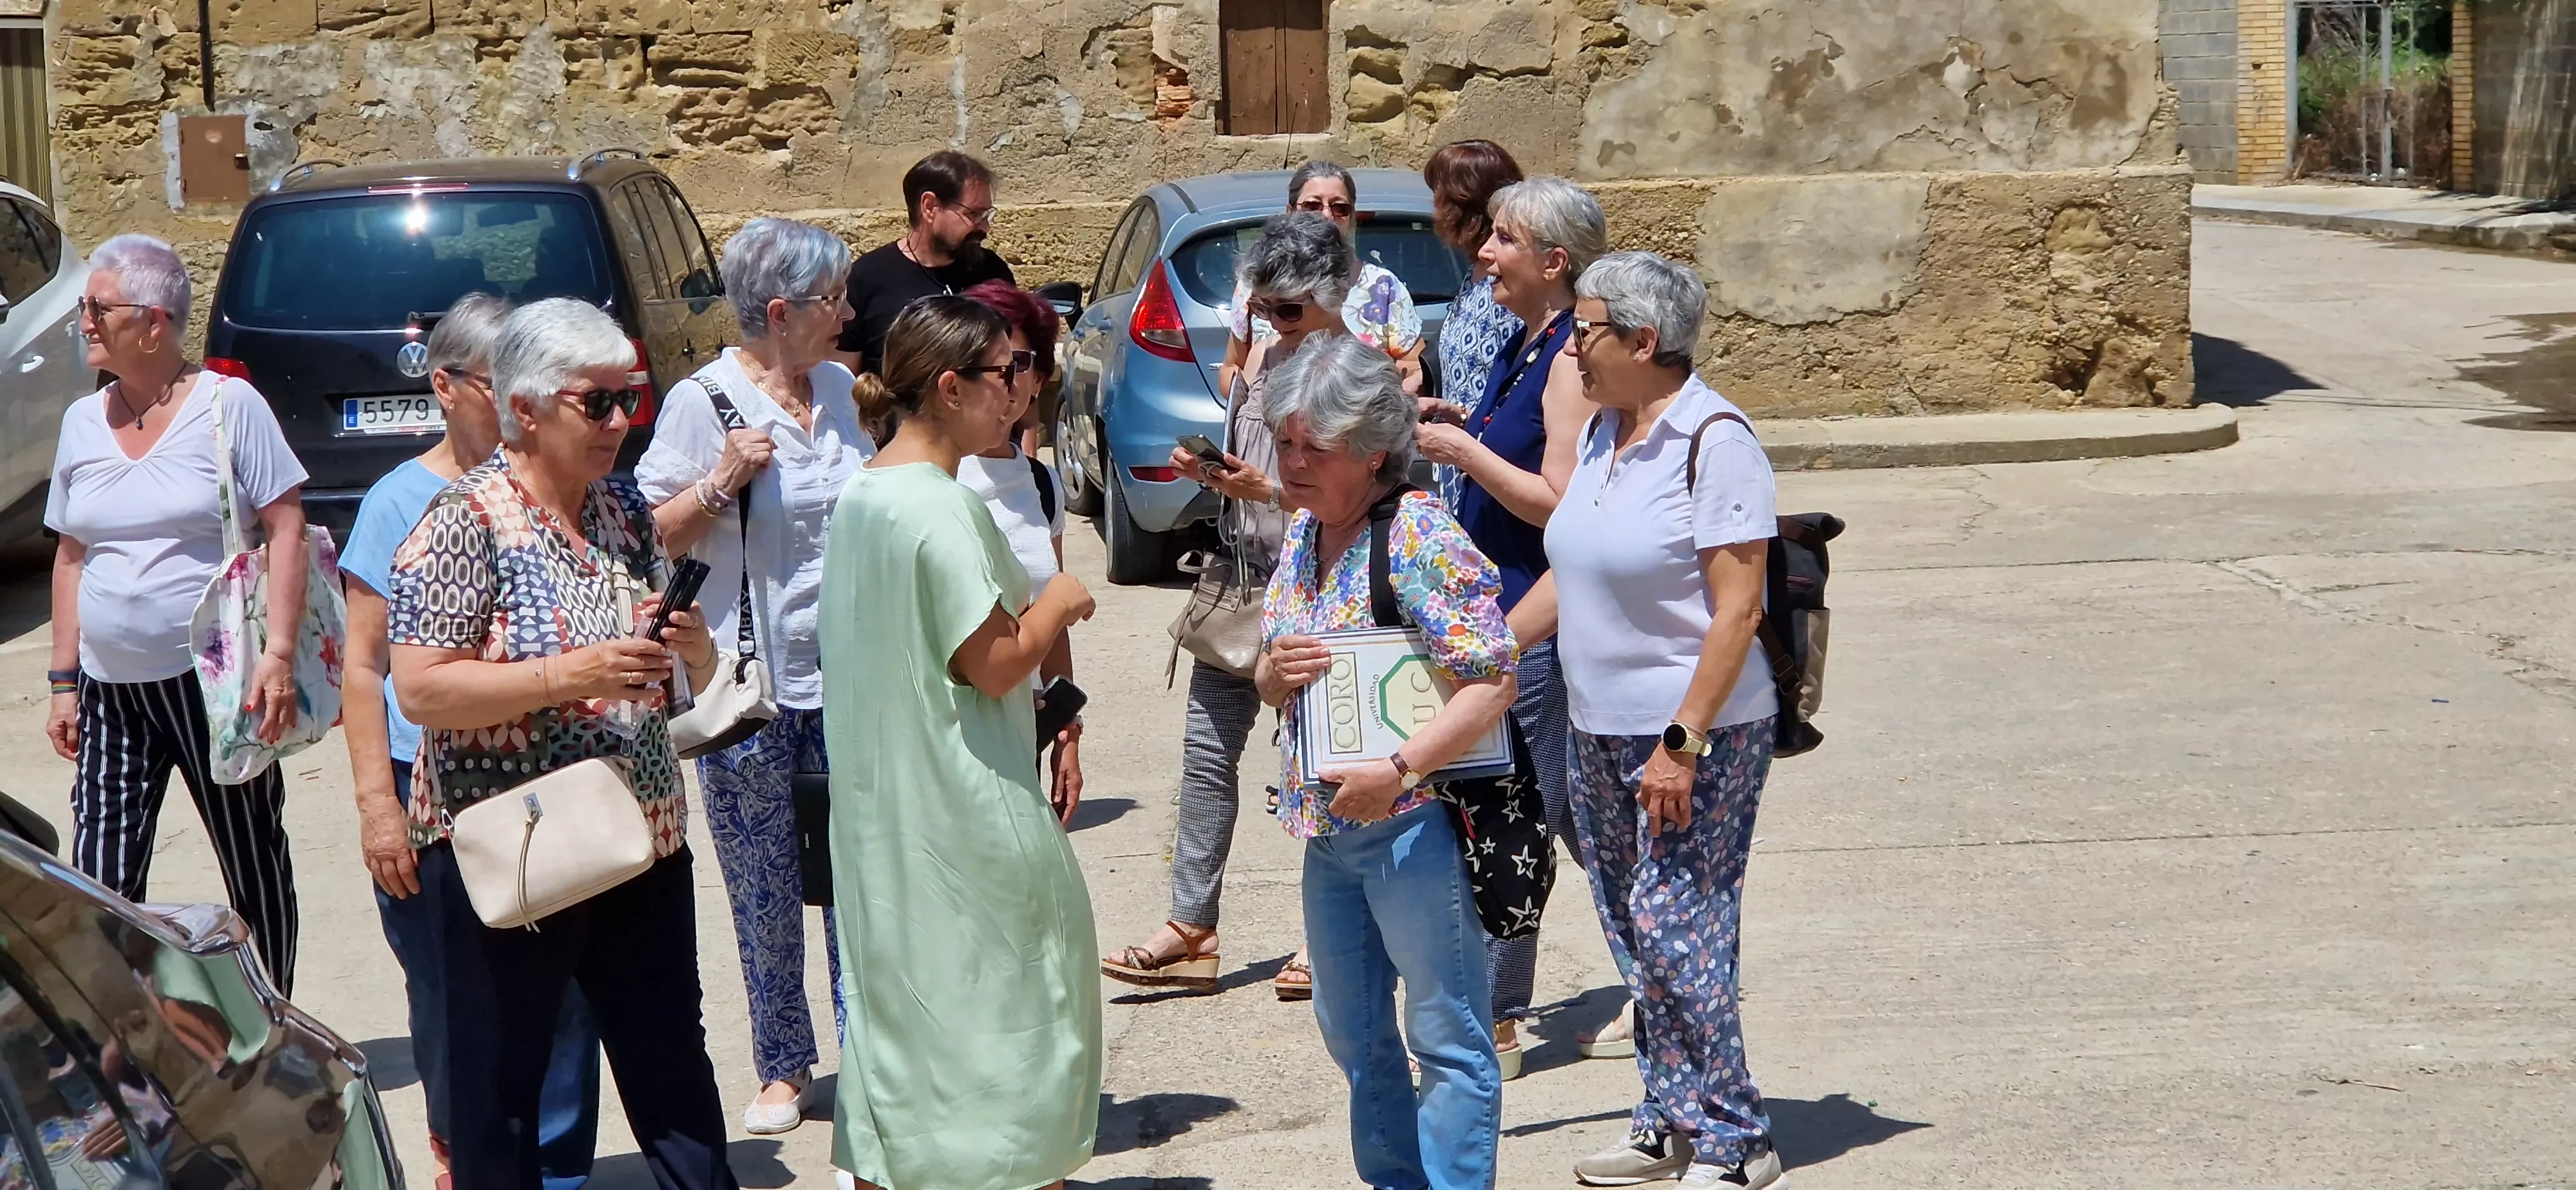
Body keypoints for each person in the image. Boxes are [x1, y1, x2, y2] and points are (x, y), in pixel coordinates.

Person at [385, 298, 733, 1190]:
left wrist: (689, 650)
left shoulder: (621, 508)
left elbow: (662, 660)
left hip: (640, 836)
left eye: (631, 400)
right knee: (500, 1093)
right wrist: (570, 676)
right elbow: (421, 688)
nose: (622, 423)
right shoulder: (464, 520)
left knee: (671, 1071)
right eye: (599, 403)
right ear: (526, 409)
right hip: (519, 847)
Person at [1515, 253, 1786, 1190]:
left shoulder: (1717, 440)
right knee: (1633, 930)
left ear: (1643, 340)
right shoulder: (1604, 434)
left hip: (1694, 732)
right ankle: (1668, 1117)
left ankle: (1737, 1136)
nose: (1573, 346)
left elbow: (1738, 609)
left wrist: (1683, 743)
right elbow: (1573, 573)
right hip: (1599, 727)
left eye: (1586, 329)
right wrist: (1486, 652)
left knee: (1679, 924)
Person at [817, 297, 1101, 1190]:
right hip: (965, 813)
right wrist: (1058, 597)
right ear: (949, 387)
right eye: (1006, 372)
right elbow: (993, 661)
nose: (1022, 390)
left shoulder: (863, 493)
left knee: (906, 1037)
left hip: (885, 820)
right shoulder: (938, 507)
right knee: (1014, 1037)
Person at [341, 294, 601, 1190]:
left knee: (568, 1000)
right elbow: (364, 667)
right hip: (437, 794)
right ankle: (470, 1160)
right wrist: (380, 808)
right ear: (447, 387)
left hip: (554, 786)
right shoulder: (399, 502)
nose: (519, 405)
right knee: (454, 1005)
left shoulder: (558, 487)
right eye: (503, 385)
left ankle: (558, 1172)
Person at [1254, 334, 1516, 1190]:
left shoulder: (1418, 535)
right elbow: (1270, 673)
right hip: (1328, 831)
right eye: (1284, 442)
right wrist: (1270, 672)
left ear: (1372, 453)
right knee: (1354, 1033)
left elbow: (1492, 679)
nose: (1292, 463)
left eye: (1313, 448)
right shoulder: (1304, 531)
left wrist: (1397, 772)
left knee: (1446, 1039)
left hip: (1412, 829)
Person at [634, 217, 873, 1136]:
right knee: (764, 879)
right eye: (833, 300)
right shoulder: (705, 402)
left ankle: (872, 1049)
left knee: (859, 871)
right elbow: (648, 534)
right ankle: (782, 1066)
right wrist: (721, 483)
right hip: (751, 687)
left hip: (850, 677)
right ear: (780, 312)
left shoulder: (847, 389)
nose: (848, 313)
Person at [1098, 212, 1353, 1001]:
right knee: (1206, 758)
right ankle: (1192, 925)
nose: (1274, 326)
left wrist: (1268, 488)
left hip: (1318, 589)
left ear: (1333, 296)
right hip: (1243, 583)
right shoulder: (1265, 361)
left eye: (1290, 310)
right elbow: (1256, 471)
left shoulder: (1350, 371)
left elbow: (1358, 493)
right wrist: (1214, 476)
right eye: (1262, 310)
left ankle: (1331, 940)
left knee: (1320, 771)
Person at [43, 233, 308, 992]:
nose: (83, 322)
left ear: (154, 322)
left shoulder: (231, 409)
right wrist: (64, 680)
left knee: (251, 857)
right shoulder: (81, 423)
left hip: (219, 685)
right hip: (111, 687)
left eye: (97, 308)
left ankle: (275, 1028)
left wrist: (279, 654)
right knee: (99, 880)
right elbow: (71, 556)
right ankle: (116, 1049)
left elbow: (285, 526)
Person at [1413, 174, 1608, 1077]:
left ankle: (1496, 1015)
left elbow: (1559, 502)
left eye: (1503, 241)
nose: (1484, 254)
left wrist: (1465, 451)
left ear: (1553, 262)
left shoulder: (1570, 358)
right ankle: (1664, 971)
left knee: (1514, 816)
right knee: (1576, 822)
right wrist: (1463, 422)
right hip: (1498, 608)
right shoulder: (1527, 346)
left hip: (1535, 618)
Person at [957, 279, 1083, 820]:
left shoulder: (1040, 482)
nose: (1006, 379)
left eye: (1020, 361)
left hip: (1019, 730)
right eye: (988, 361)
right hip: (949, 739)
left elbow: (1050, 613)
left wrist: (1068, 730)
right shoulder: (929, 474)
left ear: (1041, 380)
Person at [1215, 161, 1422, 399]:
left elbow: (1416, 368)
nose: (1326, 215)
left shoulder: (1384, 287)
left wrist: (1371, 383)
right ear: (1290, 211)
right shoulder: (1258, 284)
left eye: (1340, 207)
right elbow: (1232, 367)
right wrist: (1256, 395)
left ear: (1352, 217)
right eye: (1312, 205)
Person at [831, 151, 1016, 379]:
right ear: (929, 207)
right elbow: (842, 379)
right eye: (974, 214)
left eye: (986, 215)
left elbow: (1019, 363)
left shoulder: (993, 272)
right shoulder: (868, 277)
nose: (985, 227)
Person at [1421, 140, 1525, 419]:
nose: (1434, 210)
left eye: (1439, 197)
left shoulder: (1508, 284)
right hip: (1456, 449)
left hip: (1486, 453)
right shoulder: (1475, 272)